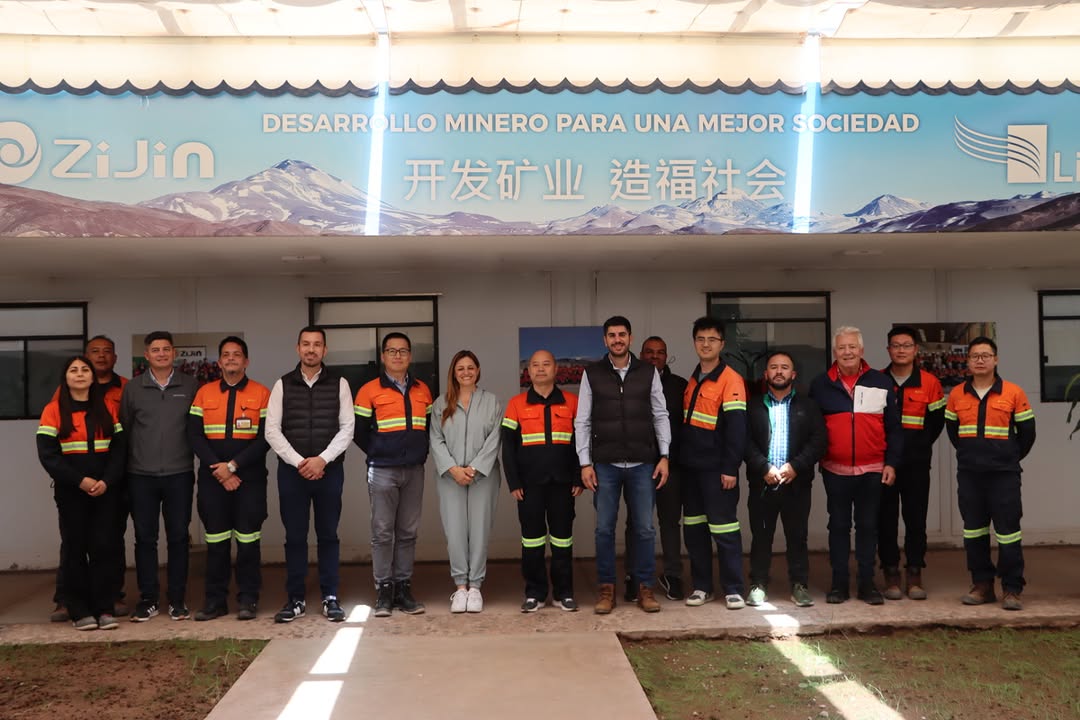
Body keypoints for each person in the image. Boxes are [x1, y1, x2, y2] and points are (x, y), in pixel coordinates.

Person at [574, 316, 670, 614]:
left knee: (644, 529)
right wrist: (585, 462)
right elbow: (583, 420)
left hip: (643, 463)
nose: (617, 339)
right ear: (605, 340)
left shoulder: (648, 372)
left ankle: (645, 589)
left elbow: (660, 414)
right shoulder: (592, 373)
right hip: (605, 465)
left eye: (622, 334)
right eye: (612, 335)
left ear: (630, 338)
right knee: (604, 530)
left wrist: (664, 456)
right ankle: (606, 590)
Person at [265, 326, 354, 623]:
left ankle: (330, 597)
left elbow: (347, 428)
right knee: (295, 537)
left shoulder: (340, 383)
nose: (311, 349)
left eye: (317, 345)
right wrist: (301, 462)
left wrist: (322, 461)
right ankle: (296, 599)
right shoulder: (282, 384)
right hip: (293, 474)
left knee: (328, 536)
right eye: (306, 344)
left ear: (325, 350)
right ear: (297, 348)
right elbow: (272, 430)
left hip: (329, 472)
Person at [809, 326, 902, 605]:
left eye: (852, 347)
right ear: (835, 352)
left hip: (873, 469)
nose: (847, 352)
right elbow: (813, 428)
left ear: (861, 351)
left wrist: (892, 463)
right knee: (837, 527)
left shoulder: (881, 382)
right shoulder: (820, 384)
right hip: (835, 470)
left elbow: (894, 428)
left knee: (867, 527)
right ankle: (838, 584)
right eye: (841, 348)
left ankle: (866, 584)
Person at [944, 336, 1035, 611]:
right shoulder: (957, 394)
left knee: (1008, 532)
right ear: (968, 362)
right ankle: (982, 585)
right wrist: (973, 456)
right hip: (970, 475)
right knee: (974, 532)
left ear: (995, 359)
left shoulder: (1013, 392)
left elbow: (1028, 435)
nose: (980, 359)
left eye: (986, 355)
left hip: (1003, 475)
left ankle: (1012, 588)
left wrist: (1007, 457)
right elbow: (953, 432)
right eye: (975, 356)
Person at [37, 356, 126, 631]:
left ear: (92, 377)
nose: (79, 374)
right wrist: (81, 481)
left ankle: (105, 608)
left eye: (84, 370)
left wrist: (106, 481)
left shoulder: (107, 408)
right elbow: (49, 456)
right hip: (71, 493)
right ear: (65, 378)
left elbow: (119, 450)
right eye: (73, 370)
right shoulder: (52, 411)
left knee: (104, 548)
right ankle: (79, 610)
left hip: (105, 492)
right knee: (75, 549)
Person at [187, 337, 271, 621]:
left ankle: (248, 599)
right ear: (220, 362)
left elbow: (265, 439)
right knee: (217, 542)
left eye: (237, 355)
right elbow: (194, 435)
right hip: (214, 480)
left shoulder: (262, 394)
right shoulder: (203, 394)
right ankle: (215, 601)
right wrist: (219, 469)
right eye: (226, 355)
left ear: (246, 361)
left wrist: (233, 467)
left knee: (249, 542)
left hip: (250, 479)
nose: (232, 359)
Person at [121, 331, 199, 622]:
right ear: (147, 354)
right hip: (141, 476)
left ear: (174, 353)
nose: (162, 354)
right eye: (156, 350)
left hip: (180, 474)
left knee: (179, 537)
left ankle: (177, 599)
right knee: (145, 538)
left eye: (166, 349)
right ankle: (148, 598)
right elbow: (127, 430)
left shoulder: (190, 385)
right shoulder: (133, 389)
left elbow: (196, 427)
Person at [354, 332, 433, 617]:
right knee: (383, 532)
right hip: (383, 471)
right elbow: (359, 432)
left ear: (410, 356)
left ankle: (403, 587)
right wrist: (379, 451)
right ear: (383, 356)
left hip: (414, 470)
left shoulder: (423, 389)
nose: (398, 355)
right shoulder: (368, 390)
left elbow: (430, 427)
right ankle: (383, 590)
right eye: (392, 351)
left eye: (403, 351)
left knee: (408, 532)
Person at [744, 351, 827, 608]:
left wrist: (796, 467)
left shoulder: (808, 405)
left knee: (797, 536)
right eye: (773, 367)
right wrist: (763, 468)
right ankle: (758, 584)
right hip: (763, 483)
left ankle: (799, 585)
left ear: (793, 374)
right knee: (761, 536)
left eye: (784, 367)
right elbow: (744, 441)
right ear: (765, 374)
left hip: (796, 484)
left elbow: (819, 441)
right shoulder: (753, 405)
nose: (779, 371)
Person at [502, 350, 582, 612]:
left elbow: (581, 443)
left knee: (562, 541)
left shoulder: (572, 402)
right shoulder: (516, 404)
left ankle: (564, 593)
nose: (540, 369)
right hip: (529, 486)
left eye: (546, 364)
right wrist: (514, 482)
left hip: (563, 485)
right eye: (535, 365)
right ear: (528, 370)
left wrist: (579, 476)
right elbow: (508, 447)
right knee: (532, 541)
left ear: (556, 369)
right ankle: (534, 593)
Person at [679, 317, 749, 610]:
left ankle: (733, 588)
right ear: (694, 342)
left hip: (717, 470)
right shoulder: (693, 378)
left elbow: (736, 428)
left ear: (722, 344)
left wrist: (730, 468)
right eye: (700, 339)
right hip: (690, 470)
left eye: (712, 339)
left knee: (724, 530)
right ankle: (702, 587)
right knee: (694, 531)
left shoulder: (731, 379)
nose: (705, 344)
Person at [429, 350, 503, 613]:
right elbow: (435, 439)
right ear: (454, 372)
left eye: (470, 367)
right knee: (456, 531)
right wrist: (452, 469)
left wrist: (473, 468)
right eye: (460, 368)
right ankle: (460, 587)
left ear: (478, 370)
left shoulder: (492, 402)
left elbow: (495, 438)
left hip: (483, 476)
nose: (466, 372)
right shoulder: (441, 404)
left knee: (480, 531)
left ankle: (476, 587)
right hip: (451, 478)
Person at [878, 326, 946, 600]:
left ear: (915, 350)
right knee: (885, 519)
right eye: (896, 345)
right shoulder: (877, 381)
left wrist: (918, 446)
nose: (901, 350)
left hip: (917, 463)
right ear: (888, 350)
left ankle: (914, 572)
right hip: (883, 463)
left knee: (915, 519)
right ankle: (891, 572)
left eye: (907, 345)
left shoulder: (930, 383)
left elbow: (937, 422)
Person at [622, 336, 687, 602]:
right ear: (640, 354)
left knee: (670, 521)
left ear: (666, 356)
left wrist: (671, 459)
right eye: (649, 352)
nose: (654, 356)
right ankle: (633, 576)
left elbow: (684, 429)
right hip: (637, 465)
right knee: (636, 523)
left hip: (670, 465)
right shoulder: (629, 381)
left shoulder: (679, 386)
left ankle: (672, 574)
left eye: (660, 352)